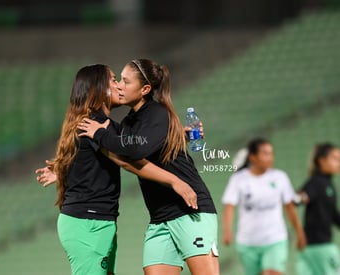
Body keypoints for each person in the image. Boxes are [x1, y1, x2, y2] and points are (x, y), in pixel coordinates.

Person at [36, 64, 200, 275]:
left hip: (96, 220)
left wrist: (180, 136)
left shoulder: (101, 124)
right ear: (99, 89)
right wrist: (175, 181)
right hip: (88, 222)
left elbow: (136, 143)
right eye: (113, 80)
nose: (119, 85)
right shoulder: (95, 124)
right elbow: (128, 161)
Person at [77, 59, 219, 275]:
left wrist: (99, 133)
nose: (119, 86)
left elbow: (135, 149)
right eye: (119, 80)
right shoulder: (129, 123)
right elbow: (123, 149)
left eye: (125, 81)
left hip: (189, 208)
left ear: (144, 89)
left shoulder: (157, 112)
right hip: (160, 218)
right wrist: (60, 170)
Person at [221, 137, 306, 275]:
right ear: (252, 157)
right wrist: (227, 231)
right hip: (247, 243)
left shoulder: (280, 177)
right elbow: (229, 206)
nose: (270, 158)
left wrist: (300, 232)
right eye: (265, 153)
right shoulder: (238, 179)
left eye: (271, 153)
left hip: (275, 240)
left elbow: (289, 207)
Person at [295, 142, 340, 275]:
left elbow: (332, 214)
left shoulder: (328, 185)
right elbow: (299, 199)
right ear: (322, 160)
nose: (338, 163)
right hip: (320, 247)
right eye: (335, 159)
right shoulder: (316, 182)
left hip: (312, 247)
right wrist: (296, 198)